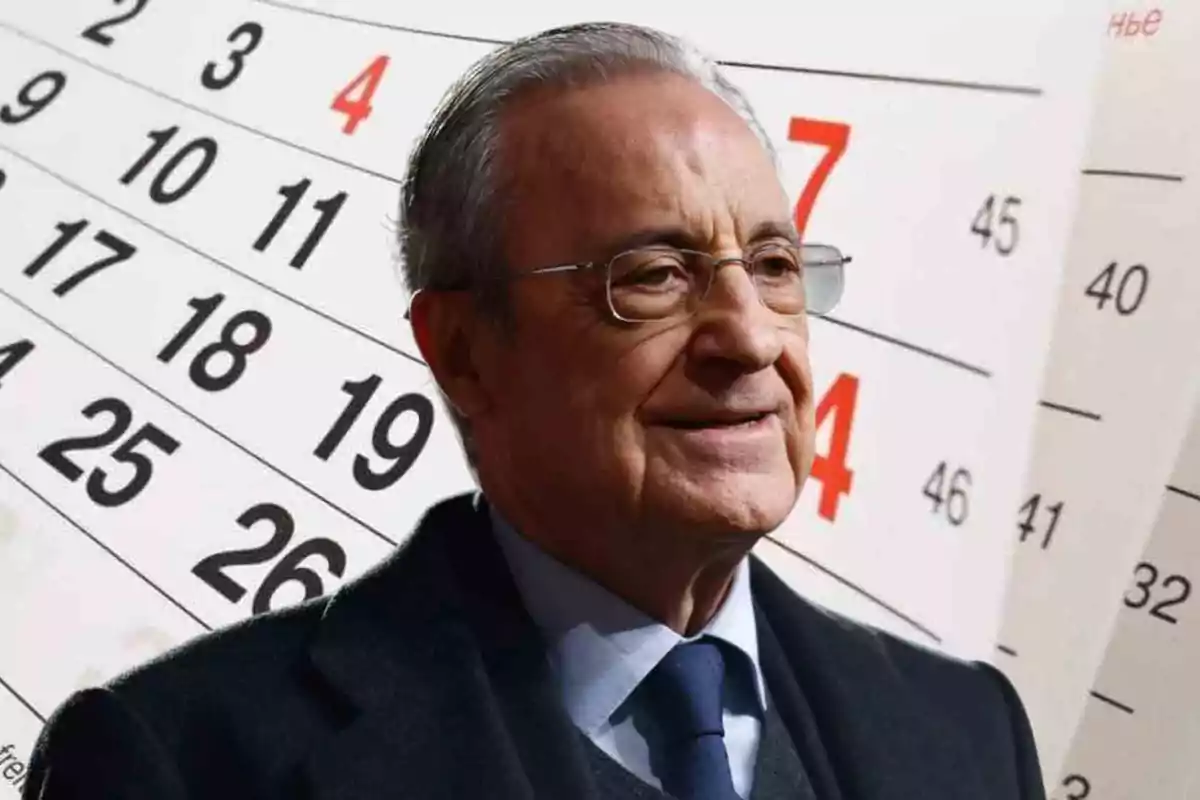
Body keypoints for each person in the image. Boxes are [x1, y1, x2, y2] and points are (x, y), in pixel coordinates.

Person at [23, 21, 1044, 800]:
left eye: (774, 266)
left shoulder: (967, 733)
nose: (752, 337)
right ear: (464, 350)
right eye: (652, 275)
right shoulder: (184, 761)